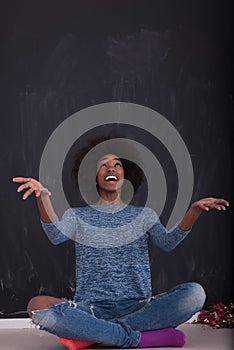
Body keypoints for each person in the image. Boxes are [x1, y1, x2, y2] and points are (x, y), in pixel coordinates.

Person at [13, 153, 229, 350]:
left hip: (140, 307)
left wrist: (193, 211)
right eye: (103, 165)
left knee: (195, 294)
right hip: (91, 309)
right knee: (37, 307)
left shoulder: (144, 215)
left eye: (117, 165)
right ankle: (136, 338)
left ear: (126, 176)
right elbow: (55, 235)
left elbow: (168, 242)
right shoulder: (76, 215)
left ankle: (96, 333)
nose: (111, 168)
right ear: (93, 176)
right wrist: (42, 198)